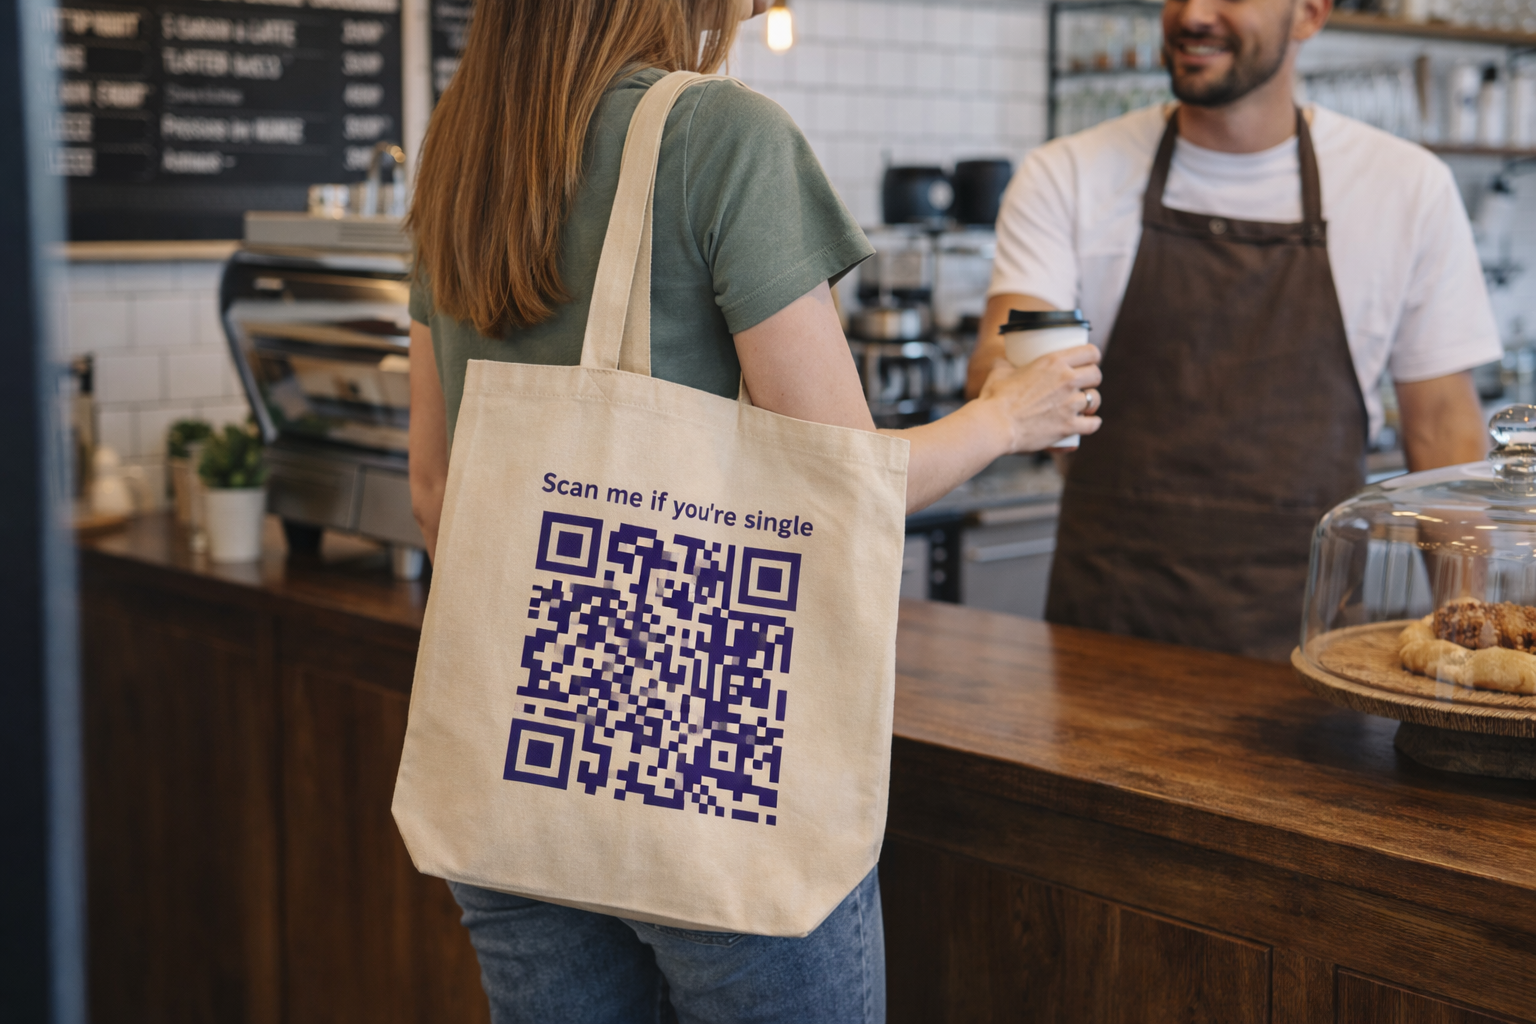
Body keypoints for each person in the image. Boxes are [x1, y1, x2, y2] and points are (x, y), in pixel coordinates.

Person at [405, 2, 1102, 1021]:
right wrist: (1006, 415)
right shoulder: (719, 134)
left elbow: (437, 492)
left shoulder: (458, 156)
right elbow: (844, 487)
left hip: (516, 759)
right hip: (703, 765)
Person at [966, 0, 1502, 661]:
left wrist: (1471, 639)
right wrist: (1012, 383)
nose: (1194, 14)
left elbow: (1443, 427)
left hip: (1309, 643)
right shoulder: (1067, 174)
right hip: (1104, 633)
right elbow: (1000, 352)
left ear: (1309, 15)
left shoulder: (1405, 187)